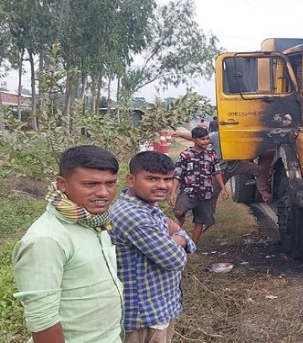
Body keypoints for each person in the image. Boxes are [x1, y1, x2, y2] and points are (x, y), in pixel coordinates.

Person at [12, 145, 122, 343]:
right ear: (62, 184)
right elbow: (43, 321)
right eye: (90, 184)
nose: (104, 193)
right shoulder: (46, 240)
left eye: (111, 183)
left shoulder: (94, 221)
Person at [109, 151, 196, 343]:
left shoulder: (147, 206)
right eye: (152, 179)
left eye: (168, 179)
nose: (162, 185)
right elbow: (175, 260)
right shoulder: (133, 216)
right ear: (131, 180)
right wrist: (178, 238)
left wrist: (177, 237)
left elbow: (186, 240)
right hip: (144, 317)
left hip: (158, 308)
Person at [171, 129, 272, 231]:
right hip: (219, 171)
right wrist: (181, 134)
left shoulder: (244, 135)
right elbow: (196, 138)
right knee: (211, 196)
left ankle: (264, 192)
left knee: (259, 170)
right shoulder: (216, 136)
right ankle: (207, 221)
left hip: (235, 165)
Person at [169, 127, 228, 245]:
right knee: (178, 212)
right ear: (194, 139)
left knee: (200, 221)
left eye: (207, 139)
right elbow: (178, 174)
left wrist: (223, 188)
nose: (206, 141)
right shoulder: (186, 155)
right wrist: (173, 192)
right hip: (188, 191)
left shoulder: (211, 155)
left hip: (205, 193)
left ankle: (193, 246)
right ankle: (181, 221)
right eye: (202, 139)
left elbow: (217, 172)